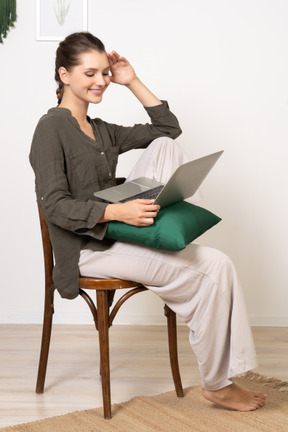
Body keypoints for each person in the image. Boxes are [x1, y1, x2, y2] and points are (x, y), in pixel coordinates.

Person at [29, 32, 267, 411]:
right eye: (90, 73)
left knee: (169, 154)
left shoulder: (102, 129)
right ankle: (218, 386)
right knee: (206, 272)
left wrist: (132, 80)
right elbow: (54, 205)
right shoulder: (50, 129)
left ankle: (219, 380)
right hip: (88, 248)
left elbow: (168, 129)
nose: (101, 81)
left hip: (122, 235)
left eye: (105, 73)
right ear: (64, 74)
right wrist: (115, 212)